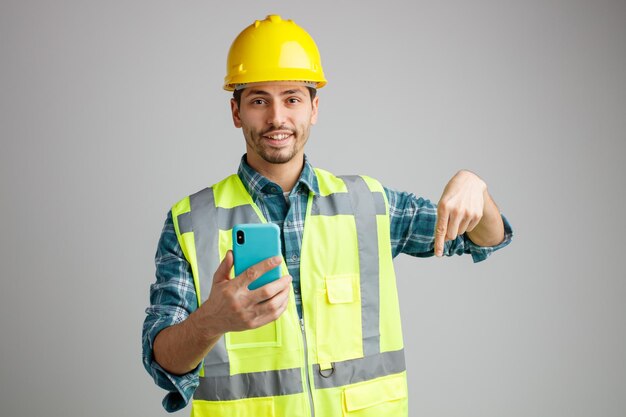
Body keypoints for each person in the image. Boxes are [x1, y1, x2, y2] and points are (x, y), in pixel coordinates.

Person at [142, 14, 513, 416]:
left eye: (292, 98)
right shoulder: (191, 222)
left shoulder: (368, 205)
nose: (276, 118)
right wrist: (210, 321)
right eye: (259, 100)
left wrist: (476, 186)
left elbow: (485, 237)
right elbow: (163, 361)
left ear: (314, 107)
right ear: (236, 112)